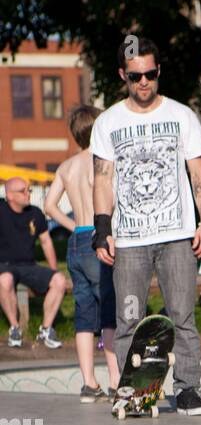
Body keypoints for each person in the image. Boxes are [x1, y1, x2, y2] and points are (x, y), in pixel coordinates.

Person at [91, 36, 201, 417]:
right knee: (129, 319)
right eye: (134, 76)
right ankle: (135, 393)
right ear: (122, 76)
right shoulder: (108, 121)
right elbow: (102, 180)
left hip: (177, 237)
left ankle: (188, 390)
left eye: (148, 74)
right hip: (129, 240)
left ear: (158, 71)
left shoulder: (181, 116)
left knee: (182, 316)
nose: (142, 82)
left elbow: (199, 173)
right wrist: (101, 228)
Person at [45, 105, 119, 400]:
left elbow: (49, 206)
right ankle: (116, 379)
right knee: (110, 311)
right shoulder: (100, 162)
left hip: (76, 240)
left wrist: (74, 224)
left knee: (84, 314)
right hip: (98, 238)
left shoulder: (66, 166)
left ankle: (89, 383)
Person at [0, 177, 67, 349]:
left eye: (28, 190)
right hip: (4, 266)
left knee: (59, 280)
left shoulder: (35, 213)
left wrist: (53, 271)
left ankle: (45, 329)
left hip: (28, 266)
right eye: (22, 191)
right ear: (9, 195)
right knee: (4, 280)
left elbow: (46, 242)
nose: (27, 194)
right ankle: (15, 328)